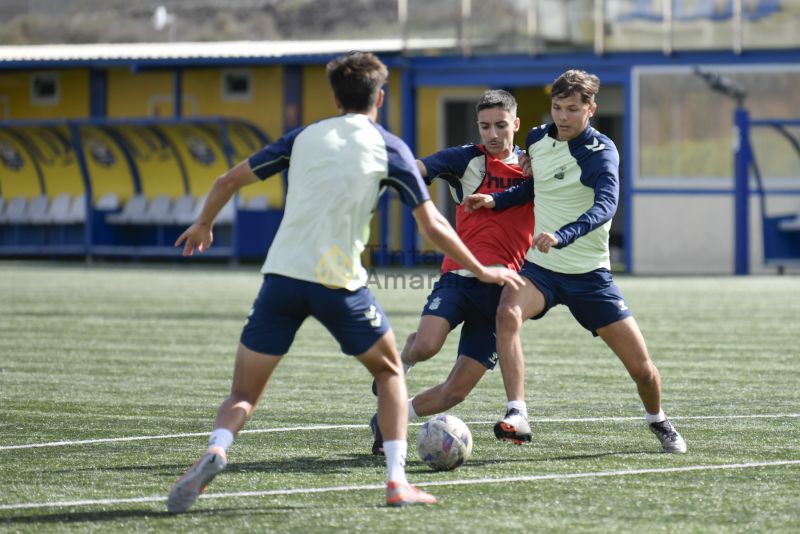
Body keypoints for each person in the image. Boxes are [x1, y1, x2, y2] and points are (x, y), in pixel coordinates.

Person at [166, 51, 523, 513]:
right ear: (380, 96)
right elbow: (432, 225)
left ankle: (217, 448)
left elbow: (227, 180)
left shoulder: (305, 136)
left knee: (242, 394)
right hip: (339, 283)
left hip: (281, 278)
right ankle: (396, 481)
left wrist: (203, 225)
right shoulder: (386, 146)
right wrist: (481, 268)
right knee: (391, 372)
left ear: (335, 96)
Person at [464, 69, 687, 454]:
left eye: (571, 109)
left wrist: (563, 234)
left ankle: (658, 420)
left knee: (643, 370)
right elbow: (536, 186)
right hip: (542, 269)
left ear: (590, 109)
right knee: (507, 313)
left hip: (590, 277)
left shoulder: (601, 153)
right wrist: (496, 200)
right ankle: (517, 412)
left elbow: (606, 206)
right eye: (556, 107)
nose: (562, 117)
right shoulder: (537, 138)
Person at [369, 89, 533, 455]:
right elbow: (417, 168)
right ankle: (404, 360)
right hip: (459, 278)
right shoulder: (465, 160)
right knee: (426, 345)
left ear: (516, 124)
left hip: (502, 293)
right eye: (485, 126)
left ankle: (389, 416)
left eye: (501, 126)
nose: (492, 134)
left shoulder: (534, 166)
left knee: (455, 391)